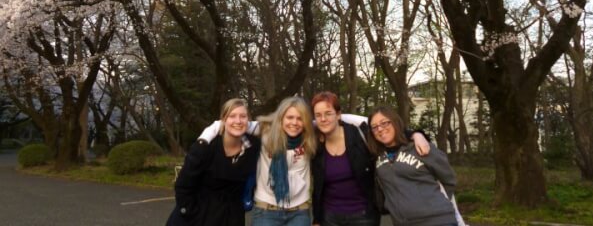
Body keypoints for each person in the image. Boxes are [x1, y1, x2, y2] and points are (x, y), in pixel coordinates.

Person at [311, 92, 430, 226]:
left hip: (364, 216)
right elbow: (318, 186)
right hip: (330, 217)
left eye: (328, 113)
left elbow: (391, 134)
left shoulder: (360, 134)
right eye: (318, 115)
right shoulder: (315, 144)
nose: (323, 119)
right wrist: (317, 219)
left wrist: (416, 134)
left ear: (338, 114)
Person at [198, 96, 318, 226]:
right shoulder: (264, 130)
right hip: (266, 210)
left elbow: (335, 119)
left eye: (300, 118)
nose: (294, 123)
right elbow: (223, 123)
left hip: (299, 211)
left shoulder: (310, 135)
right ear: (281, 117)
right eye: (289, 117)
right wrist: (203, 141)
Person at [165, 98, 260, 226]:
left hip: (231, 216)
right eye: (232, 116)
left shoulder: (253, 147)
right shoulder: (206, 147)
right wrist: (188, 211)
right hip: (197, 216)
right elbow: (183, 185)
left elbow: (280, 130)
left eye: (243, 116)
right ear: (223, 120)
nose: (238, 121)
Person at [367, 105, 460, 226]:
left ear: (395, 122)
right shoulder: (378, 157)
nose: (380, 129)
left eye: (384, 123)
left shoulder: (420, 147)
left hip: (437, 220)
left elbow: (449, 179)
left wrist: (432, 204)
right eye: (374, 127)